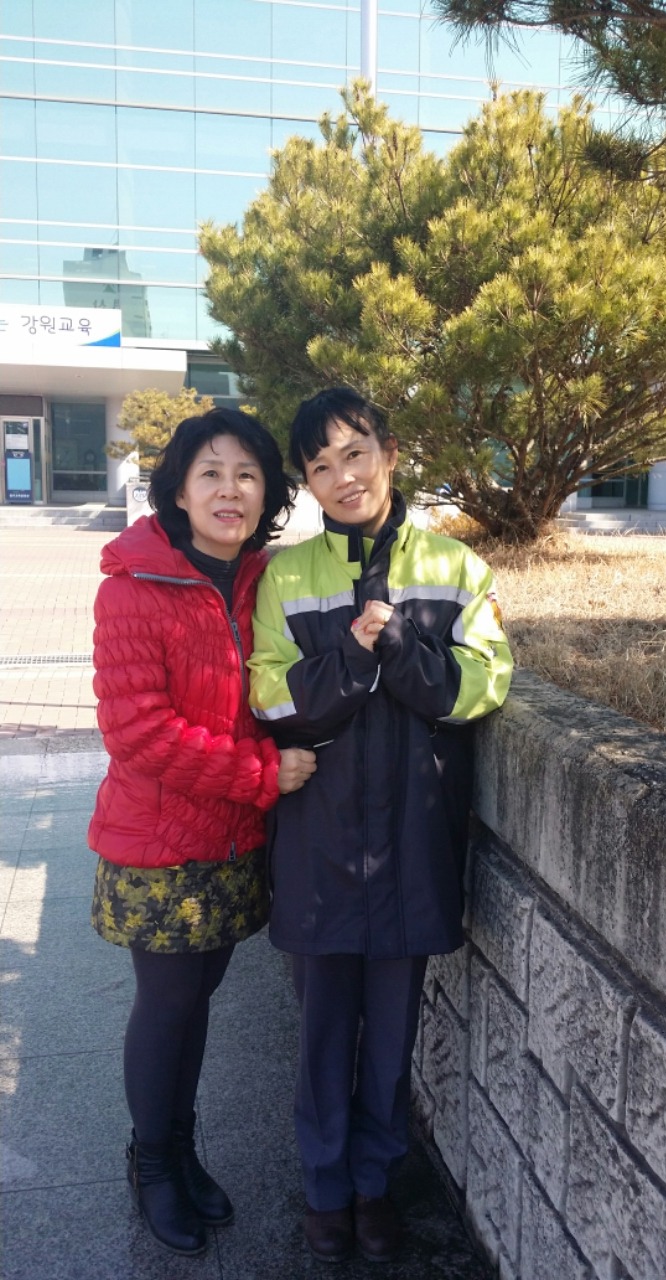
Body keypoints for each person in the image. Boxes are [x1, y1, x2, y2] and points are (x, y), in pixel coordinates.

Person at [248, 387, 513, 1263]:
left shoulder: (457, 567)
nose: (342, 476)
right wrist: (351, 659)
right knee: (323, 1033)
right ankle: (325, 1190)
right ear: (308, 482)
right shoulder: (287, 575)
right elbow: (269, 692)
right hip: (318, 843)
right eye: (319, 465)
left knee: (393, 1037)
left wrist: (402, 647)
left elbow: (486, 684)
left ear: (390, 452)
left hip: (412, 841)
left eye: (354, 453)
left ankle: (375, 1186)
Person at [87, 408, 316, 1258]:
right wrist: (261, 775)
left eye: (247, 474)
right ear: (178, 491)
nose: (230, 490)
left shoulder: (264, 580)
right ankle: (151, 1163)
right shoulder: (133, 587)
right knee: (168, 1002)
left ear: (268, 493)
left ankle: (180, 1149)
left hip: (232, 838)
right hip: (160, 841)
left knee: (200, 998)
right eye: (210, 473)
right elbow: (138, 733)